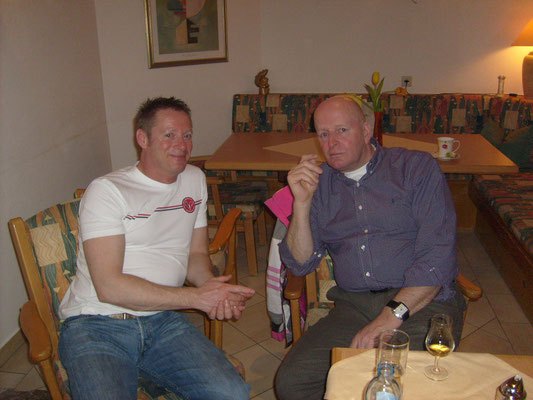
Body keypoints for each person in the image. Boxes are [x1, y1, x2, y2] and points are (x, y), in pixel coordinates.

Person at [58, 97, 255, 400]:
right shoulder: (108, 191)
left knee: (231, 393)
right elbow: (109, 287)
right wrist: (196, 298)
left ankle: (147, 374)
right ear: (143, 138)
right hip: (97, 325)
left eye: (187, 135)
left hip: (161, 320)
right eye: (169, 135)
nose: (182, 144)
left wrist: (212, 288)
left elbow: (195, 255)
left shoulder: (194, 179)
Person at [274, 95, 466, 400]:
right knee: (292, 383)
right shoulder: (319, 186)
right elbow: (299, 263)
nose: (332, 143)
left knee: (401, 383)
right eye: (323, 134)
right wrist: (301, 203)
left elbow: (437, 257)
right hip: (354, 306)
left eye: (341, 130)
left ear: (366, 131)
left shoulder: (415, 168)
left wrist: (390, 316)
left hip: (421, 304)